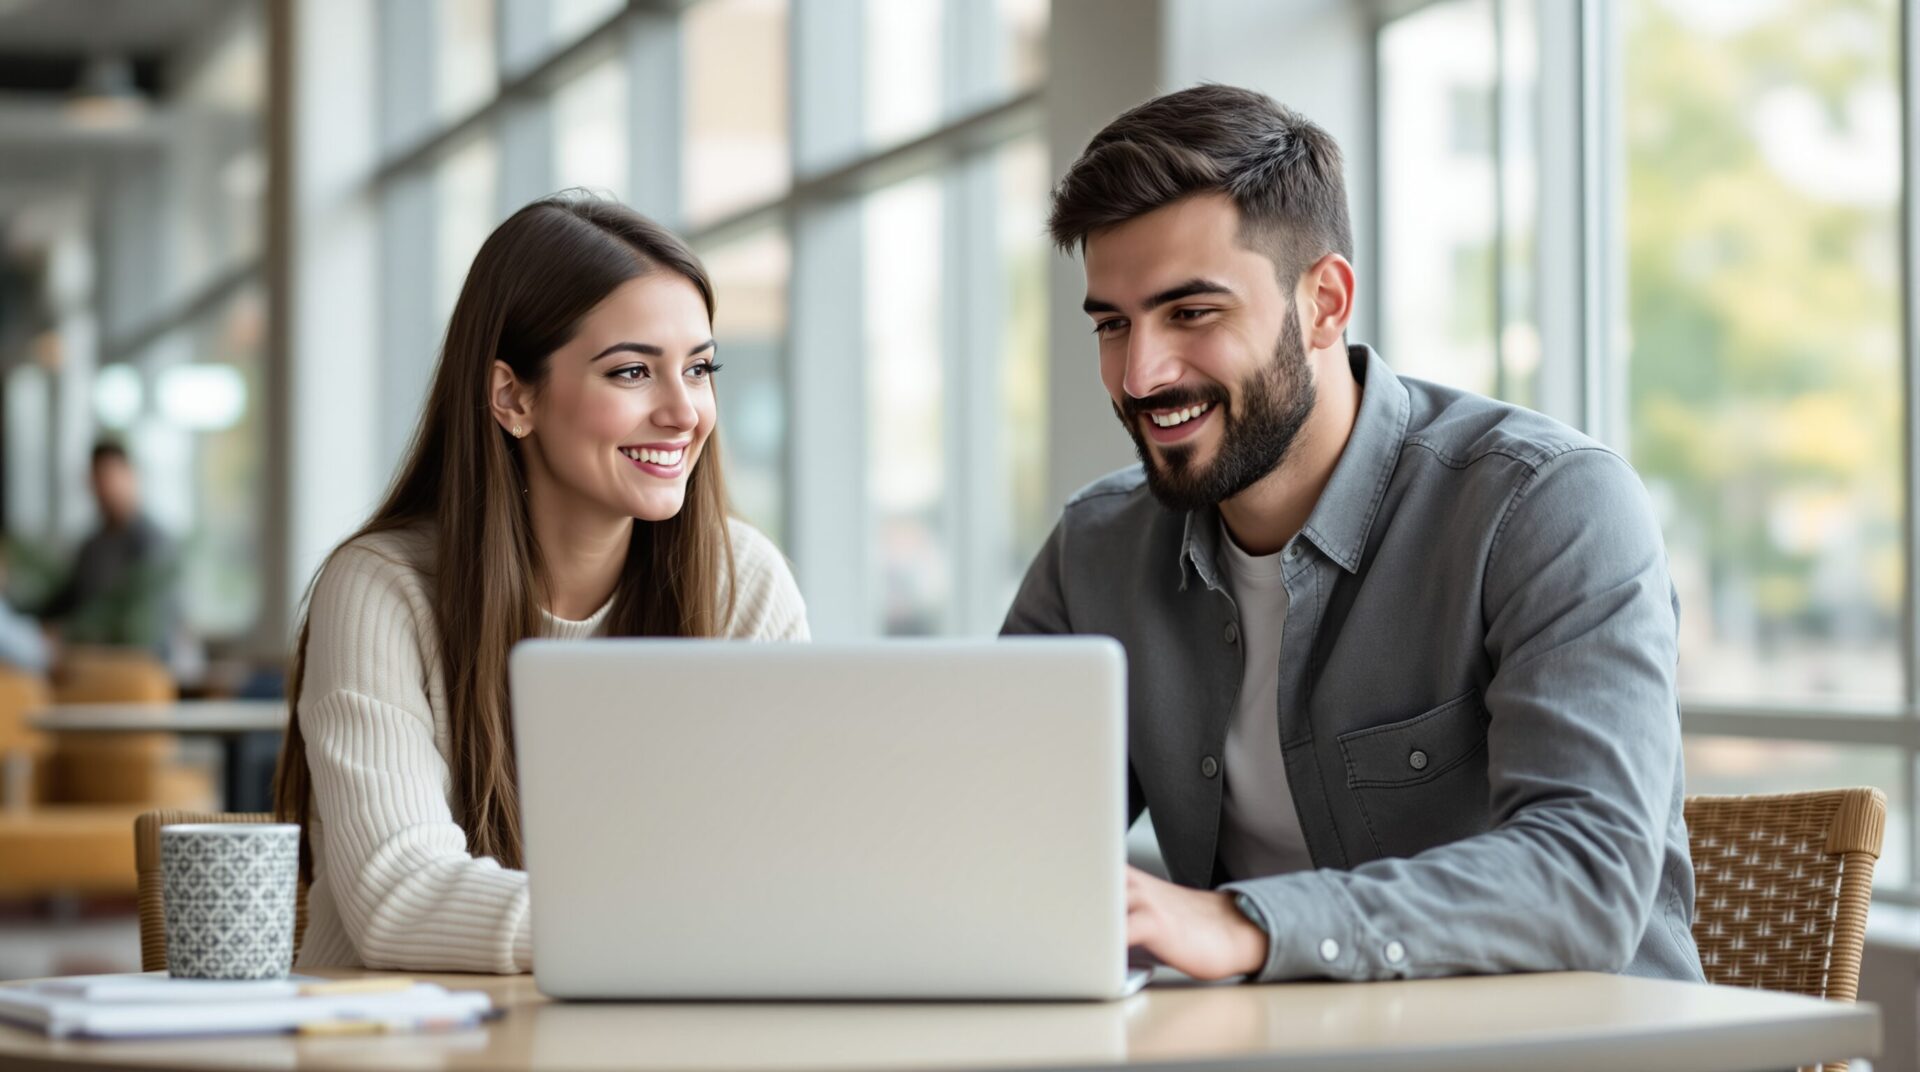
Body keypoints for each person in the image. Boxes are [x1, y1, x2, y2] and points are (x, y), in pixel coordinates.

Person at [1003, 85, 1703, 984]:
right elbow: (1005, 848)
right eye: (1113, 323)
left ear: (1325, 302)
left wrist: (1246, 925)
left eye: (1191, 313)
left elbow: (1584, 879)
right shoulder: (1094, 553)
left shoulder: (1546, 507)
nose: (1141, 374)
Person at [272, 194, 809, 973]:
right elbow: (400, 900)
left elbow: (796, 869)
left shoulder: (743, 580)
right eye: (632, 371)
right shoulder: (380, 590)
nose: (684, 411)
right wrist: (687, 925)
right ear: (512, 397)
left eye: (699, 368)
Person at [38, 441, 179, 652]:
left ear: (130, 476)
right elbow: (66, 600)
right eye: (98, 479)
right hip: (90, 655)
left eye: (109, 477)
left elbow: (138, 620)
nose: (104, 489)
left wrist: (68, 632)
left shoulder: (152, 542)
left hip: (140, 656)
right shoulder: (92, 545)